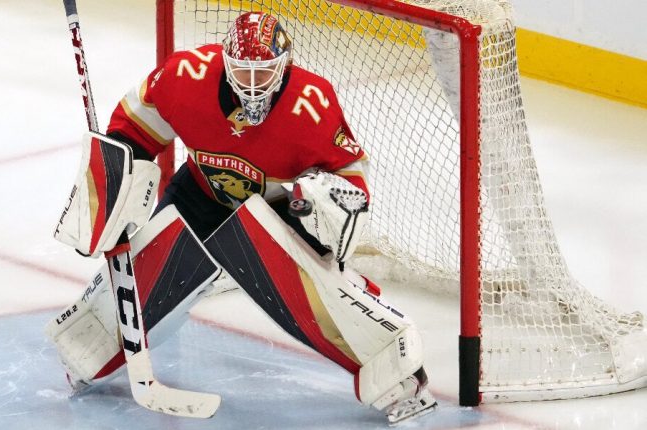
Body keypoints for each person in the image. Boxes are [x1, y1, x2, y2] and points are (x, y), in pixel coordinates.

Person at [46, 11, 436, 425]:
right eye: (242, 73)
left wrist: (320, 204)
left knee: (308, 295)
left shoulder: (311, 104)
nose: (252, 86)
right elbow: (134, 128)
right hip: (201, 193)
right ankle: (90, 351)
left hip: (276, 209)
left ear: (284, 66)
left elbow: (349, 177)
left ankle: (397, 374)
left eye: (263, 73)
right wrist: (113, 179)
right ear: (224, 62)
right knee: (143, 278)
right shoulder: (186, 76)